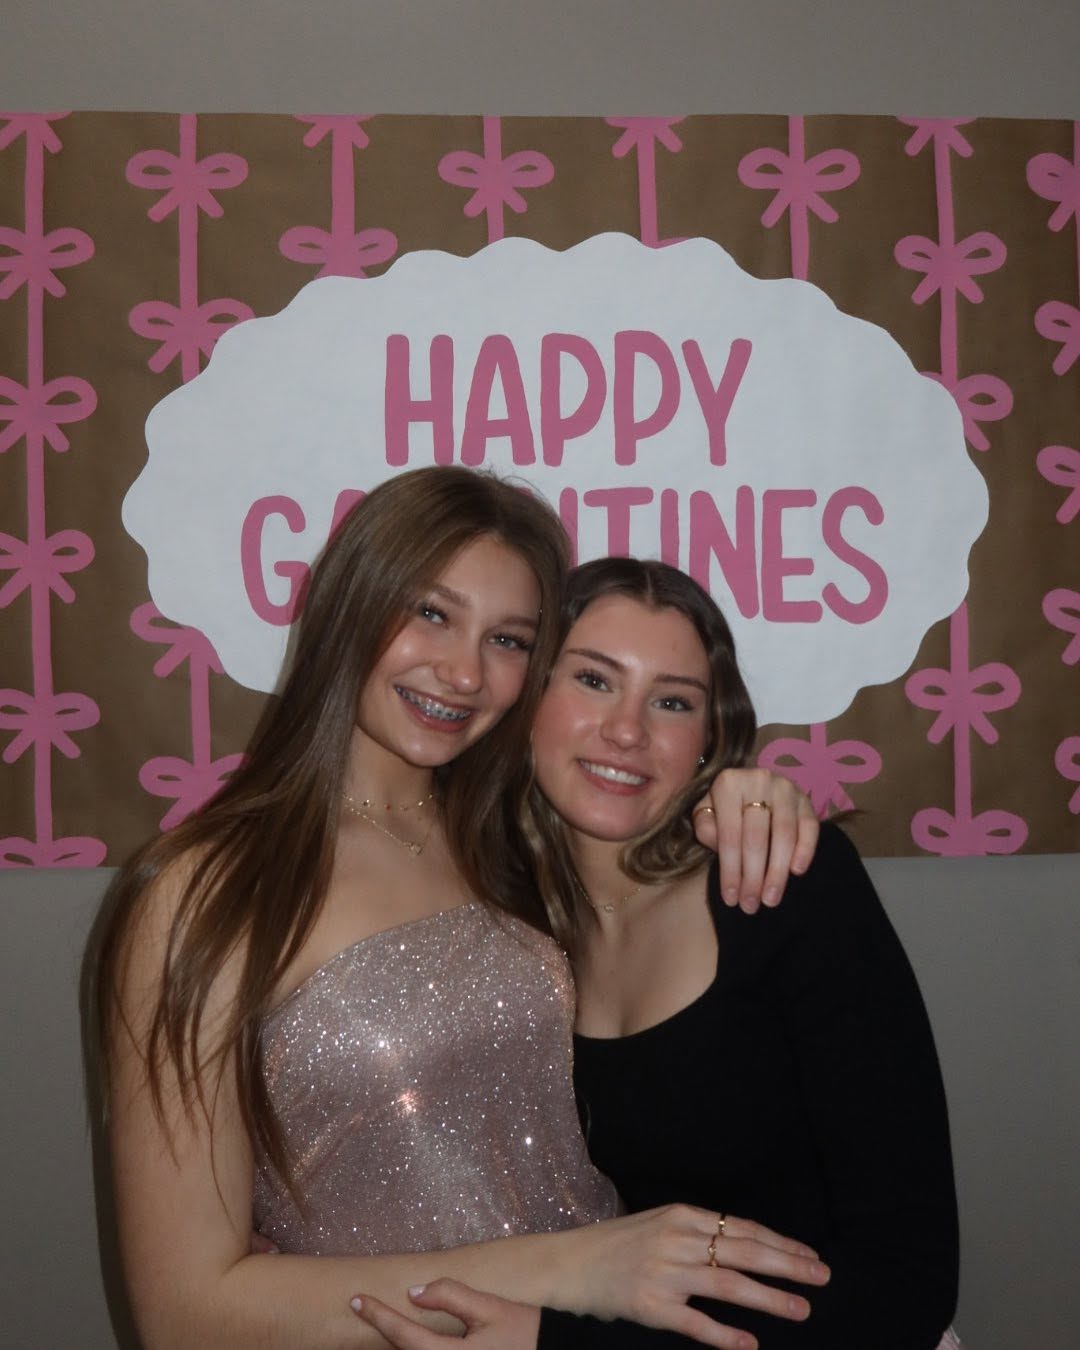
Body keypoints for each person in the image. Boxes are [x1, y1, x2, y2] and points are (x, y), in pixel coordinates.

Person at [91, 468, 825, 1350]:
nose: (465, 672)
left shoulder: (526, 845)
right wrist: (575, 1267)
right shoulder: (204, 895)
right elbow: (185, 1316)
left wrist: (748, 795)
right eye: (431, 613)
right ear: (349, 604)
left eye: (508, 640)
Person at [352, 557, 960, 1349]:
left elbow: (909, 1285)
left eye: (672, 701)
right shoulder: (495, 924)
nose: (628, 731)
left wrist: (552, 1343)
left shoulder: (784, 889)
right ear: (526, 701)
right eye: (594, 681)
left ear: (709, 739)